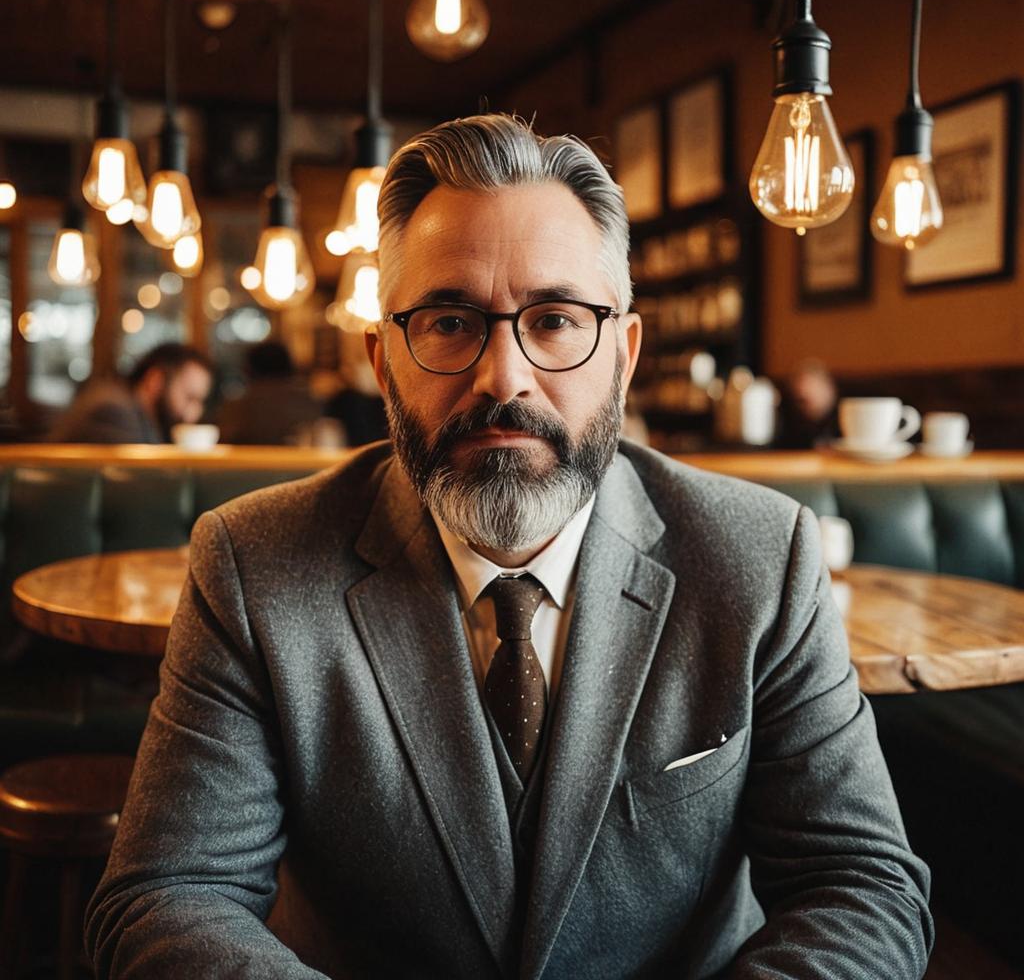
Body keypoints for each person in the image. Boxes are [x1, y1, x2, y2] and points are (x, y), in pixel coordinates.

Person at [86, 115, 932, 978]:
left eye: (557, 319)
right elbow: (170, 895)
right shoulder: (251, 563)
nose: (505, 376)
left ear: (624, 354)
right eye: (451, 321)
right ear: (382, 363)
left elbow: (860, 884)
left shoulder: (761, 557)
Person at [48, 342, 213, 444]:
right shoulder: (113, 413)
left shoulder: (129, 408)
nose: (195, 413)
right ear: (155, 381)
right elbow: (143, 487)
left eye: (201, 402)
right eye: (190, 398)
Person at [216, 341, 324, 446]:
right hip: (305, 464)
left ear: (250, 368)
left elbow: (225, 444)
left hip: (249, 463)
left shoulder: (238, 406)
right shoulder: (310, 402)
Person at [776, 357, 840, 449]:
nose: (805, 394)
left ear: (830, 389)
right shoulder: (787, 420)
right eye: (801, 399)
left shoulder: (845, 419)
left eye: (815, 388)